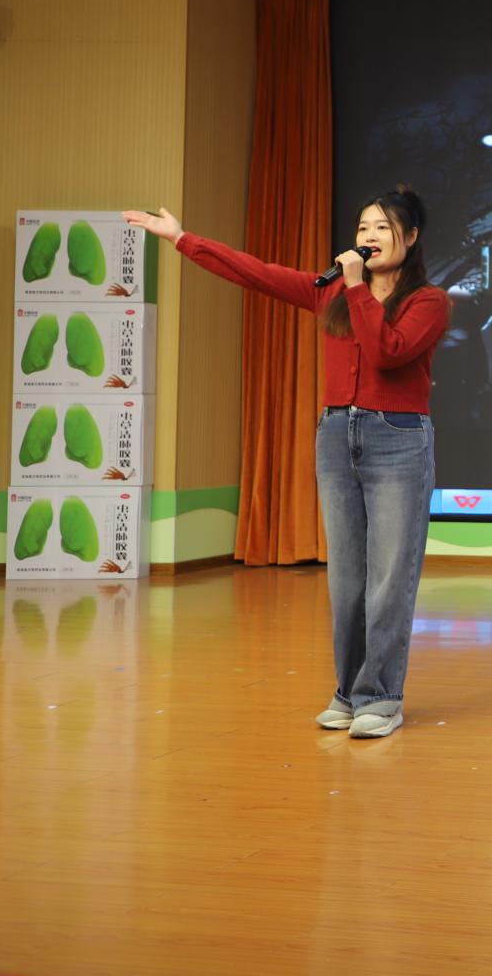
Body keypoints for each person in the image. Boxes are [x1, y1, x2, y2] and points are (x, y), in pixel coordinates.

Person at [123, 188, 450, 739]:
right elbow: (256, 273)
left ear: (412, 237)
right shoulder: (331, 292)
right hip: (335, 434)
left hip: (398, 438)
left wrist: (355, 287)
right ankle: (348, 692)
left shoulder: (428, 301)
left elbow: (387, 351)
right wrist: (181, 239)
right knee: (347, 578)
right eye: (363, 227)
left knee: (389, 578)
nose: (369, 237)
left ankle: (381, 697)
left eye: (383, 227)